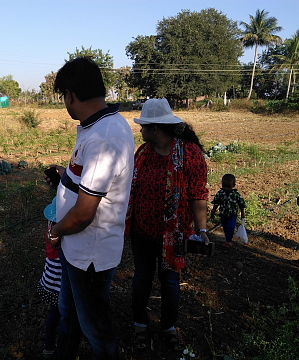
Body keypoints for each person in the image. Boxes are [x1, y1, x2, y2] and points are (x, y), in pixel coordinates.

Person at [45, 57, 135, 360]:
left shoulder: (104, 138)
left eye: (63, 97)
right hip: (77, 248)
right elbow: (87, 178)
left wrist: (56, 231)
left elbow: (84, 213)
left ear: (70, 95)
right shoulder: (93, 127)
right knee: (68, 312)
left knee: (96, 327)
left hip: (90, 255)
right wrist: (64, 176)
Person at [125, 98, 209, 353]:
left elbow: (198, 194)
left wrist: (202, 230)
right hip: (141, 233)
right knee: (142, 278)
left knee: (170, 282)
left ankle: (168, 327)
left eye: (143, 127)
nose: (140, 132)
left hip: (174, 236)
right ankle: (140, 323)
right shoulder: (143, 154)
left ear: (156, 129)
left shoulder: (190, 154)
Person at [36, 197, 62, 359]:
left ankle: (49, 346)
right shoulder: (62, 233)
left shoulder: (50, 228)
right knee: (65, 314)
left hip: (50, 279)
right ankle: (60, 346)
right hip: (61, 282)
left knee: (54, 314)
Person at [210, 174, 246, 248]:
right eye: (224, 186)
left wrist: (242, 214)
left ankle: (228, 240)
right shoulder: (220, 193)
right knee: (225, 227)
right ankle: (227, 238)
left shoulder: (236, 195)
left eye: (228, 187)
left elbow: (241, 204)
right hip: (223, 214)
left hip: (232, 215)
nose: (226, 188)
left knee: (230, 227)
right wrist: (213, 211)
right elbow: (216, 203)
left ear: (233, 185)